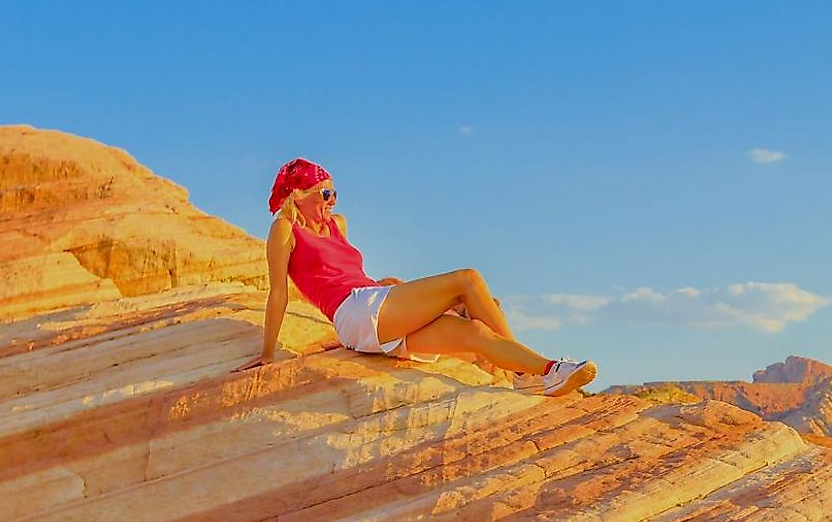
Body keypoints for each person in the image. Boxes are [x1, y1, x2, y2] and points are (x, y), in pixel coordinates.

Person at [243, 158, 595, 396]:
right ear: (299, 196)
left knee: (475, 332)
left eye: (334, 193)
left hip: (373, 308)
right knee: (467, 280)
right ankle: (531, 371)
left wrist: (384, 286)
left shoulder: (337, 225)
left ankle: (537, 374)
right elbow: (279, 294)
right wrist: (268, 353)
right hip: (354, 313)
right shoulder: (284, 229)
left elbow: (346, 273)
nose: (332, 201)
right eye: (325, 193)